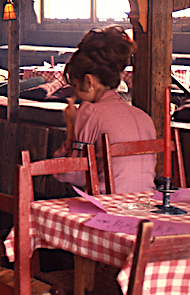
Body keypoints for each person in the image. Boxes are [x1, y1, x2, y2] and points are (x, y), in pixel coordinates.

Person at [53, 27, 156, 193]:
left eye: (76, 87)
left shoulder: (89, 112)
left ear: (89, 81)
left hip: (107, 206)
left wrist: (71, 127)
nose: (76, 94)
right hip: (145, 204)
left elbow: (71, 174)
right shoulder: (144, 117)